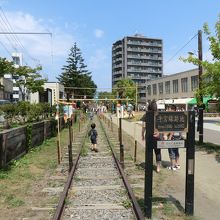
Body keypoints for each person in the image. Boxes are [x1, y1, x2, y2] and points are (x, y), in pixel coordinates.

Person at [141, 99, 162, 173]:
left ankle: (149, 166)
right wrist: (159, 133)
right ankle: (158, 167)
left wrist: (142, 135)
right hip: (157, 136)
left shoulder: (146, 115)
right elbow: (161, 126)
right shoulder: (159, 114)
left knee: (149, 151)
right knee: (158, 152)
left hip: (149, 136)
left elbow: (143, 126)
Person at [167, 105, 181, 171]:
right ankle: (177, 164)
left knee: (171, 151)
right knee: (176, 151)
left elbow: (172, 128)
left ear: (173, 109)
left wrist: (169, 137)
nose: (167, 110)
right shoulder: (178, 116)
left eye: (169, 109)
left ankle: (173, 166)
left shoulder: (172, 117)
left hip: (172, 136)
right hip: (178, 136)